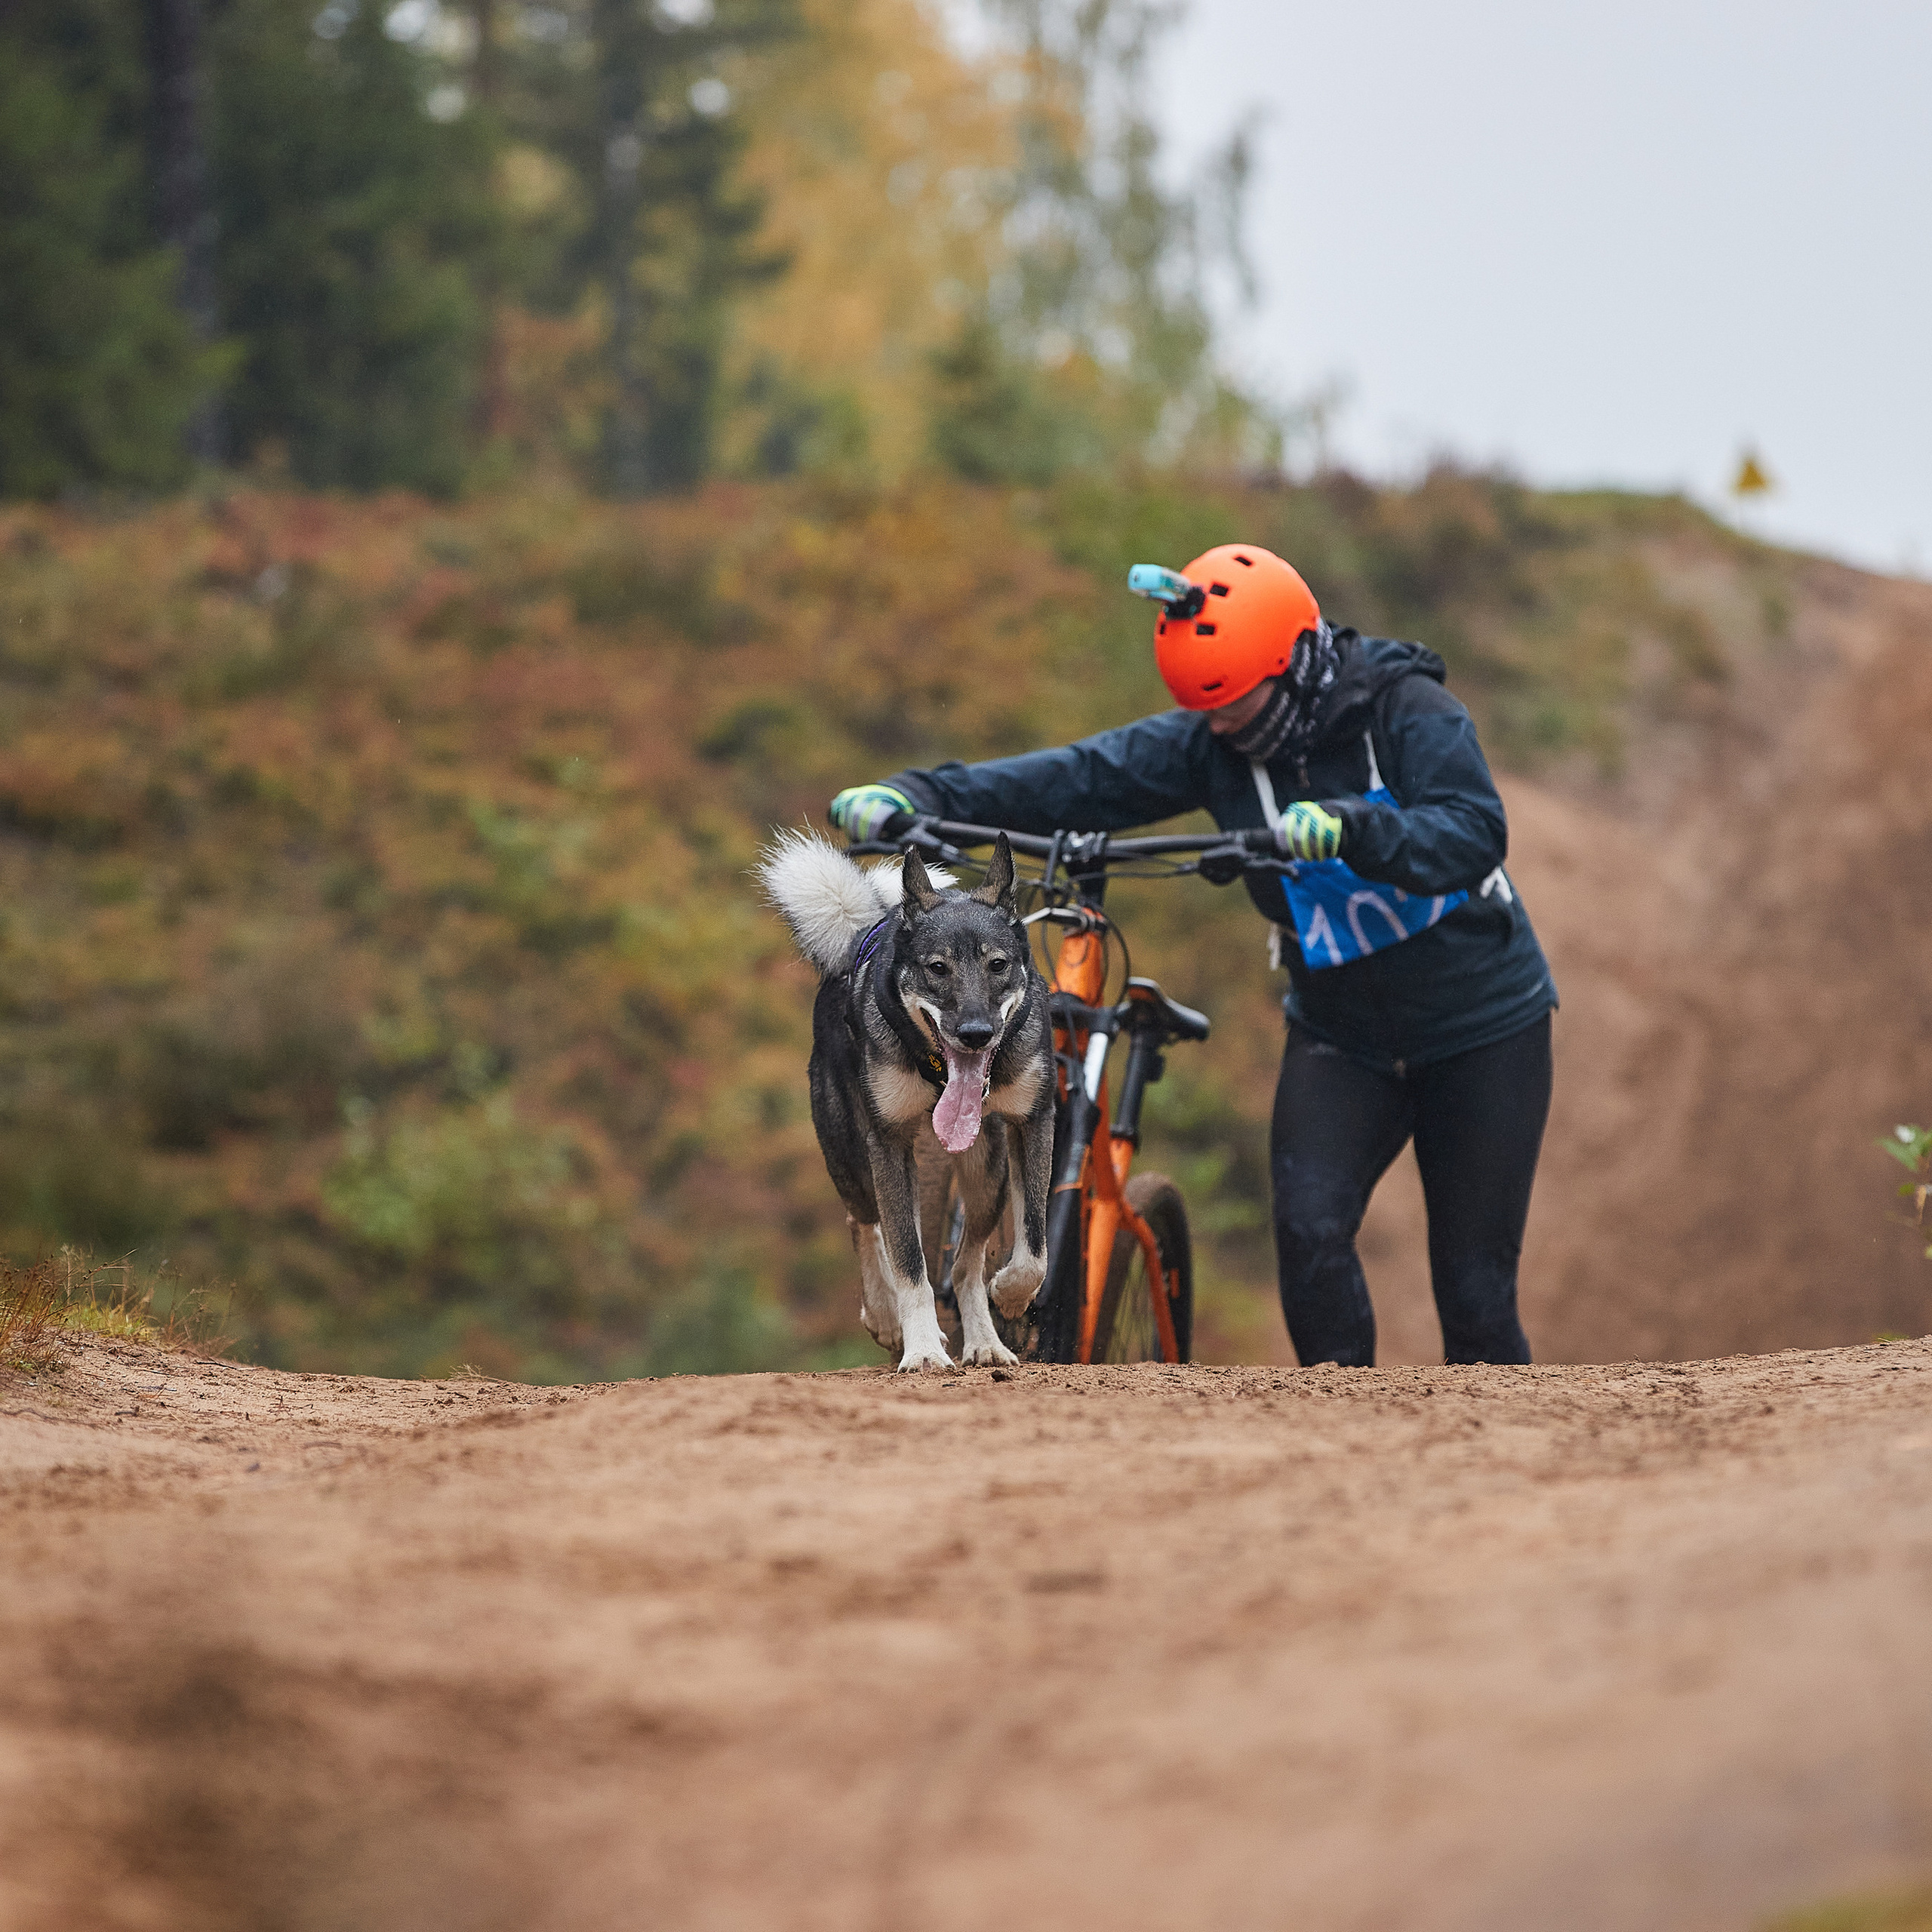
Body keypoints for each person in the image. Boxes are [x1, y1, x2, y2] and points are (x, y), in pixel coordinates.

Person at [827, 543, 1557, 1367]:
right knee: (1311, 1239)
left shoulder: (1410, 711)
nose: (1221, 730)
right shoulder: (1213, 743)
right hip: (1342, 1034)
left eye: (1237, 711)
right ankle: (1343, 1449)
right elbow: (1072, 778)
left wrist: (1359, 827)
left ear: (1291, 665)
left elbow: (1473, 828)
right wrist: (917, 796)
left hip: (1482, 1025)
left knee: (1474, 1289)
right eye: (1208, 714)